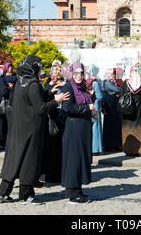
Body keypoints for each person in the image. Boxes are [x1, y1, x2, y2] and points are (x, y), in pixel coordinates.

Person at [0, 55, 69, 204]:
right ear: (34, 68)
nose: (41, 70)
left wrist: (48, 92)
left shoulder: (21, 82)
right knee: (29, 161)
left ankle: (2, 192)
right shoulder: (33, 84)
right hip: (31, 128)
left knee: (15, 159)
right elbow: (41, 108)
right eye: (40, 67)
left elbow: (32, 98)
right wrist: (56, 100)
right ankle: (26, 195)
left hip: (18, 127)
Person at [61, 62, 96, 204]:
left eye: (81, 73)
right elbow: (68, 108)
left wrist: (92, 111)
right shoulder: (68, 86)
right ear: (71, 73)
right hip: (74, 128)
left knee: (81, 159)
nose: (79, 76)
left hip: (83, 128)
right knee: (74, 159)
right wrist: (88, 108)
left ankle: (77, 190)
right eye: (75, 72)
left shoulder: (83, 88)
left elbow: (86, 103)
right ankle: (73, 193)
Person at [39, 62, 67, 185]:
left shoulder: (65, 84)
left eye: (57, 71)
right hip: (50, 118)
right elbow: (44, 99)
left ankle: (58, 174)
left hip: (61, 117)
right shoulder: (47, 85)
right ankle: (46, 173)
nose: (54, 74)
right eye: (53, 71)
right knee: (48, 146)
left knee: (59, 147)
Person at [120, 62, 141, 156]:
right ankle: (137, 150)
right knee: (138, 128)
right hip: (139, 111)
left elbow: (121, 95)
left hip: (127, 111)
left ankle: (128, 150)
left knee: (127, 128)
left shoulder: (126, 83)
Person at [102, 67, 124, 152]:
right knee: (109, 126)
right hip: (110, 107)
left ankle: (116, 145)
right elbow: (118, 89)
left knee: (116, 126)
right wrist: (118, 91)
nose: (114, 76)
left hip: (116, 107)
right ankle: (108, 145)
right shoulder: (107, 82)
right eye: (114, 74)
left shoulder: (117, 82)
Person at [85, 64, 104, 155]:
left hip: (88, 105)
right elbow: (99, 96)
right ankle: (95, 148)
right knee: (96, 127)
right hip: (95, 105)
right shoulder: (95, 82)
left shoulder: (85, 81)